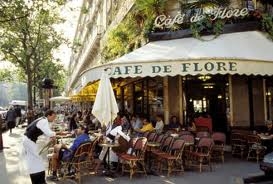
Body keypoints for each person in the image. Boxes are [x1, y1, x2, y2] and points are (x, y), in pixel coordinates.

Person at [22, 109, 57, 184]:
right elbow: (47, 132)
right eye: (53, 117)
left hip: (28, 140)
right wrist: (53, 134)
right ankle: (39, 180)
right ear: (48, 115)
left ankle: (37, 179)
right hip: (29, 140)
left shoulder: (42, 120)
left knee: (33, 159)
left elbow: (45, 133)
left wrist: (50, 137)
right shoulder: (44, 121)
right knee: (37, 159)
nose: (54, 119)